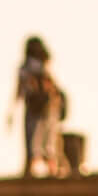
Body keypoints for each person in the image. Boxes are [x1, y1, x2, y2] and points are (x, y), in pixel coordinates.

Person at [10, 37, 64, 176]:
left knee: (32, 144)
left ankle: (28, 174)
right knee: (49, 144)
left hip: (33, 107)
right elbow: (53, 88)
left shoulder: (25, 67)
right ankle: (53, 173)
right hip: (49, 108)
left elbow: (20, 90)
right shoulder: (45, 65)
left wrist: (12, 110)